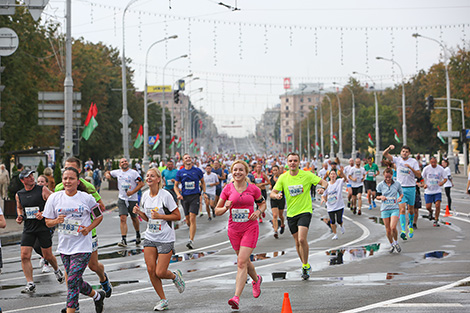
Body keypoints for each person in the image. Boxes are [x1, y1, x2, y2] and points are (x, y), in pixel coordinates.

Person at [43, 167, 105, 313]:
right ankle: (97, 296)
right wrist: (56, 220)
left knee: (71, 281)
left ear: (78, 181)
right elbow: (47, 221)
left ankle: (72, 310)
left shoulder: (86, 198)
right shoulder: (55, 198)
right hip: (65, 247)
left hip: (82, 246)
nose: (68, 181)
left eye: (71, 178)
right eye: (65, 178)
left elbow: (99, 215)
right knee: (76, 281)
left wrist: (88, 229)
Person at [56, 157, 113, 305]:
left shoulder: (87, 187)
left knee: (93, 266)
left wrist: (82, 215)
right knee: (71, 274)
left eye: (72, 169)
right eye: (66, 169)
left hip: (86, 234)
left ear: (79, 171)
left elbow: (100, 207)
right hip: (68, 237)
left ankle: (103, 279)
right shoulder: (58, 188)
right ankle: (74, 305)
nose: (68, 173)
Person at [215, 160, 265, 310]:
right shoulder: (227, 189)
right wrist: (225, 207)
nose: (237, 172)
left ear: (246, 172)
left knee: (242, 262)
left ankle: (236, 297)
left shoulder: (254, 189)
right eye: (235, 170)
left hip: (250, 228)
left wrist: (258, 211)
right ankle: (256, 280)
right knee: (244, 262)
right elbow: (217, 210)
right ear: (231, 171)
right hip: (234, 230)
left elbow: (262, 203)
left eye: (241, 170)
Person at [132, 168, 185, 311]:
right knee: (150, 270)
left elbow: (177, 216)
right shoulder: (144, 196)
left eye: (152, 176)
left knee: (160, 272)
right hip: (150, 236)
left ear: (158, 179)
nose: (148, 178)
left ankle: (175, 276)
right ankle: (163, 300)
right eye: (147, 175)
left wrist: (161, 216)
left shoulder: (165, 195)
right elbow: (147, 218)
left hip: (165, 237)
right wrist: (139, 213)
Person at [270, 153, 328, 280]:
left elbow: (324, 182)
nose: (292, 163)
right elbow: (272, 193)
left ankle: (305, 265)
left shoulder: (306, 175)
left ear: (298, 163)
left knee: (302, 239)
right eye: (290, 161)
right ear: (287, 163)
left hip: (305, 211)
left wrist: (322, 189)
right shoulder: (283, 178)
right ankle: (304, 264)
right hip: (291, 213)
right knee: (297, 242)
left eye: (295, 161)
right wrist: (277, 196)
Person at [15, 169, 65, 293]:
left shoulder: (42, 190)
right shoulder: (19, 194)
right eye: (28, 176)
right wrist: (20, 216)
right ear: (22, 180)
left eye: (32, 175)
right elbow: (19, 207)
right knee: (24, 256)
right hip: (29, 228)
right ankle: (30, 283)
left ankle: (56, 270)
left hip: (43, 227)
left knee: (47, 255)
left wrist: (43, 213)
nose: (31, 178)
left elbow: (53, 204)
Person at [383, 145, 421, 240]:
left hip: (411, 188)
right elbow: (385, 154)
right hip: (400, 188)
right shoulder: (397, 160)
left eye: (406, 152)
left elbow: (419, 175)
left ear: (409, 153)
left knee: (411, 210)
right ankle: (403, 231)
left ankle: (410, 225)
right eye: (403, 151)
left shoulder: (413, 162)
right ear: (401, 152)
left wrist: (411, 168)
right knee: (402, 210)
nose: (404, 153)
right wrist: (389, 148)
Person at [105, 158, 144, 247]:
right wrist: (107, 175)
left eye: (125, 161)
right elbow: (108, 172)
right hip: (122, 199)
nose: (124, 163)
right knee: (123, 218)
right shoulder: (117, 172)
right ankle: (124, 239)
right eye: (122, 162)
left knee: (134, 218)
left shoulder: (134, 173)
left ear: (128, 163)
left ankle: (138, 234)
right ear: (120, 164)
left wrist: (132, 192)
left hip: (132, 199)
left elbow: (141, 184)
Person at [174, 154, 206, 249]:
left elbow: (203, 182)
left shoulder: (197, 171)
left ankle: (191, 240)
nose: (188, 159)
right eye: (186, 158)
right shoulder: (180, 172)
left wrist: (204, 192)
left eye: (189, 157)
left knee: (192, 218)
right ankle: (191, 228)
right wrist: (178, 194)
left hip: (195, 196)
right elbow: (175, 186)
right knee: (187, 220)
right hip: (184, 197)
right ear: (183, 161)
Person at [376, 168, 404, 253]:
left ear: (392, 175)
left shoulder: (397, 184)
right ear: (384, 176)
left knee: (393, 227)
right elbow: (377, 196)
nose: (388, 179)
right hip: (385, 209)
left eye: (389, 177)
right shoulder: (380, 185)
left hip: (394, 208)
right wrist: (381, 197)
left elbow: (401, 193)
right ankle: (391, 244)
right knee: (388, 229)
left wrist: (399, 198)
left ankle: (396, 242)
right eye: (386, 177)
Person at [422, 157, 447, 227]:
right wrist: (424, 184)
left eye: (434, 162)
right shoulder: (426, 169)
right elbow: (421, 178)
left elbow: (445, 178)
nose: (433, 164)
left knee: (437, 205)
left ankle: (436, 219)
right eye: (432, 162)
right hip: (428, 191)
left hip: (437, 190)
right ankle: (430, 211)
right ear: (430, 162)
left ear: (436, 162)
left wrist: (442, 183)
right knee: (428, 207)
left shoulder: (440, 169)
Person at [321, 170, 345, 240]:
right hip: (330, 206)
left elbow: (345, 179)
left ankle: (341, 225)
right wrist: (323, 199)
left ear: (336, 176)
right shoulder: (327, 185)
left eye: (334, 174)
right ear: (329, 176)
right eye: (331, 174)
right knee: (332, 221)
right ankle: (335, 234)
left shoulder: (339, 181)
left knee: (339, 220)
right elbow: (323, 194)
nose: (333, 175)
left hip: (339, 205)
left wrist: (342, 173)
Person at [269, 165, 286, 239]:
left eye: (276, 170)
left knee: (280, 215)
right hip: (273, 198)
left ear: (279, 170)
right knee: (275, 215)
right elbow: (270, 186)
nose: (275, 172)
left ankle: (282, 224)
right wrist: (270, 187)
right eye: (273, 170)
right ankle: (275, 231)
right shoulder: (271, 178)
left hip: (281, 198)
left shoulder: (282, 178)